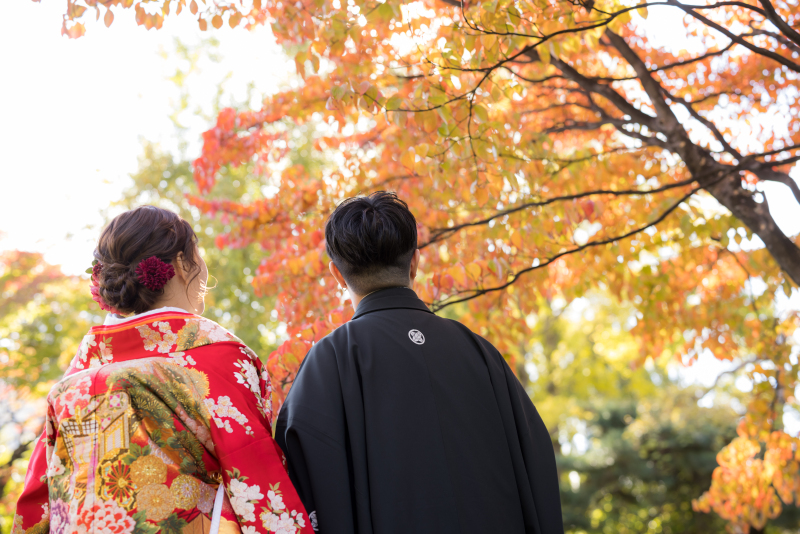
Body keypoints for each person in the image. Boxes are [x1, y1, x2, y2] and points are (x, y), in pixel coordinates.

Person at [274, 192, 564, 534]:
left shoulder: (329, 361)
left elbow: (302, 484)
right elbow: (537, 463)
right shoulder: (481, 353)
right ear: (415, 261)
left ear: (336, 275)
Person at [13, 206, 311, 534]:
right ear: (182, 264)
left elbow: (38, 498)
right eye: (198, 255)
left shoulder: (72, 383)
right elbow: (255, 478)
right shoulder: (217, 362)